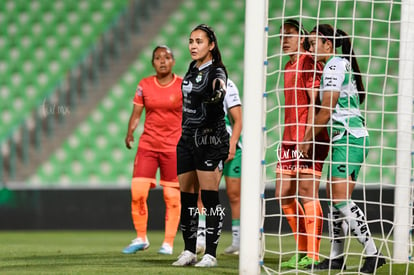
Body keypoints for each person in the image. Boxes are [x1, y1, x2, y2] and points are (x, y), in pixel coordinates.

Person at [299, 24, 386, 273]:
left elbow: (327, 109)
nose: (311, 47)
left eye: (314, 42)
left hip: (348, 138)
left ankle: (372, 253)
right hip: (348, 138)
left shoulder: (334, 65)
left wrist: (307, 138)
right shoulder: (338, 64)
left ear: (329, 44)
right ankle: (337, 257)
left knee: (340, 201)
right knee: (336, 201)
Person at [172, 24, 229, 268]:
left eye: (199, 41)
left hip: (209, 140)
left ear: (211, 45)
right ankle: (189, 250)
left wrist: (218, 95)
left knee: (209, 198)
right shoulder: (192, 67)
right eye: (191, 41)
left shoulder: (217, 70)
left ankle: (211, 254)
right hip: (186, 139)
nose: (193, 46)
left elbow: (220, 85)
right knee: (187, 198)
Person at [276, 19, 329, 269]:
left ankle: (314, 254)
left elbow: (314, 103)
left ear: (302, 37)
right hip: (288, 138)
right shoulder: (288, 66)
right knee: (283, 194)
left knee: (307, 193)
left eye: (289, 35)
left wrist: (308, 137)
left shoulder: (310, 62)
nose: (284, 40)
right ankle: (302, 249)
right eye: (281, 36)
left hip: (310, 137)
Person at [122, 45, 182, 256]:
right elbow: (137, 113)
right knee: (138, 192)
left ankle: (168, 242)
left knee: (171, 196)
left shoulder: (182, 85)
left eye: (166, 57)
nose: (162, 61)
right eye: (157, 58)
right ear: (153, 63)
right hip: (148, 145)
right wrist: (130, 132)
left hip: (173, 147)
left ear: (173, 61)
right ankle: (141, 237)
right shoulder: (144, 85)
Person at [196, 78, 242, 255]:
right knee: (204, 193)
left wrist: (232, 144)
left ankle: (238, 241)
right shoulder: (194, 84)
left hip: (231, 147)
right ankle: (201, 241)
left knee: (234, 195)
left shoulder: (227, 84)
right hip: (207, 145)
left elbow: (238, 119)